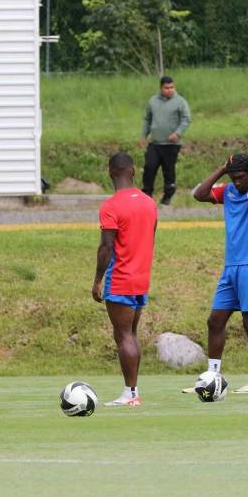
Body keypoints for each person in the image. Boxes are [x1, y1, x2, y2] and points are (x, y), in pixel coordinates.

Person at [187, 152, 248, 394]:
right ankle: (212, 377)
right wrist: (222, 169)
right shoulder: (228, 191)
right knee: (215, 321)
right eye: (234, 177)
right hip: (231, 266)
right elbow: (199, 194)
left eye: (241, 177)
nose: (237, 182)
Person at [92, 152, 158, 406]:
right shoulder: (149, 203)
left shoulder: (111, 206)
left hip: (120, 278)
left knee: (123, 336)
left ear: (110, 173)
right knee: (131, 333)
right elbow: (150, 236)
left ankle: (131, 394)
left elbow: (106, 247)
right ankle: (132, 391)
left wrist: (98, 280)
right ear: (133, 171)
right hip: (142, 278)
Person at [139, 76, 191, 205]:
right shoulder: (153, 101)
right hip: (155, 143)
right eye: (166, 88)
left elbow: (186, 119)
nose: (169, 90)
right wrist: (143, 136)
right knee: (149, 167)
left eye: (172, 87)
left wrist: (177, 133)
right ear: (161, 88)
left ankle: (167, 196)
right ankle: (147, 195)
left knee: (168, 170)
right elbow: (147, 119)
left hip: (171, 144)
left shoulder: (180, 101)